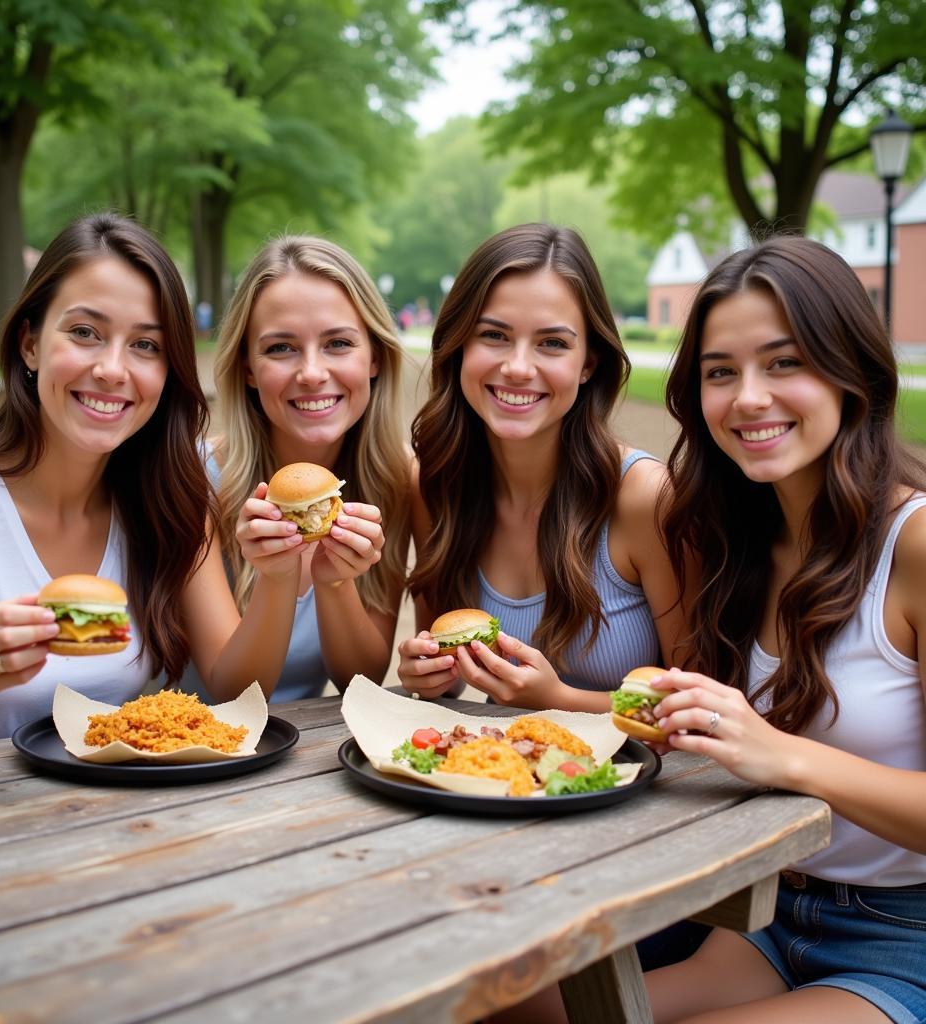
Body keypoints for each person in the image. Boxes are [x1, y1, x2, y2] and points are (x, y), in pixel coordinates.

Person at [638, 236, 926, 1023]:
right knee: (513, 1006)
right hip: (765, 914)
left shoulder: (915, 543)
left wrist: (785, 756)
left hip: (906, 938)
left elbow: (775, 753)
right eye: (720, 372)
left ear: (852, 373)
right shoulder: (734, 540)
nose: (748, 398)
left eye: (783, 362)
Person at [0, 213, 252, 750]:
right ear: (31, 344)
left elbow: (237, 687)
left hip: (116, 818)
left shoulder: (167, 502)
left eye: (145, 345)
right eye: (85, 332)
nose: (113, 369)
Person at [397, 223, 681, 710]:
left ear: (588, 362)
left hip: (635, 781)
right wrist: (426, 672)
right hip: (491, 774)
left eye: (552, 343)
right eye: (494, 335)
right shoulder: (434, 482)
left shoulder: (645, 497)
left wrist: (559, 698)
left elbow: (705, 701)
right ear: (459, 344)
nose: (518, 367)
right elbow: (453, 677)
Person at [208, 235, 411, 701]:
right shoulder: (194, 479)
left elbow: (359, 682)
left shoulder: (396, 480)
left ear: (375, 357)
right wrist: (276, 578)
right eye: (281, 348)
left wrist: (336, 581)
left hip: (308, 762)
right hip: (182, 755)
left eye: (338, 343)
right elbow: (230, 693)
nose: (313, 373)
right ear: (247, 368)